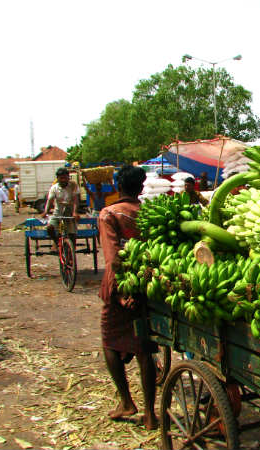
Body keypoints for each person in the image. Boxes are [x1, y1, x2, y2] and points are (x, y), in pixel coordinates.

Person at [98, 165, 158, 430]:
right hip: (150, 284)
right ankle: (150, 413)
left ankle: (126, 401)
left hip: (123, 286)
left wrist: (120, 294)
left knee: (110, 340)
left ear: (116, 187)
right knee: (145, 348)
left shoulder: (109, 214)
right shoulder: (148, 213)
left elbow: (113, 258)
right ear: (141, 188)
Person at [42, 168, 80, 252]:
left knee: (72, 233)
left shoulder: (73, 185)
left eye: (65, 178)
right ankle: (56, 242)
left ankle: (72, 252)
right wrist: (46, 211)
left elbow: (75, 200)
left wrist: (74, 212)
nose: (63, 180)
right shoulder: (54, 188)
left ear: (68, 178)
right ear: (57, 178)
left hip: (70, 211)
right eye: (61, 178)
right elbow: (50, 201)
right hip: (58, 211)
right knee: (49, 227)